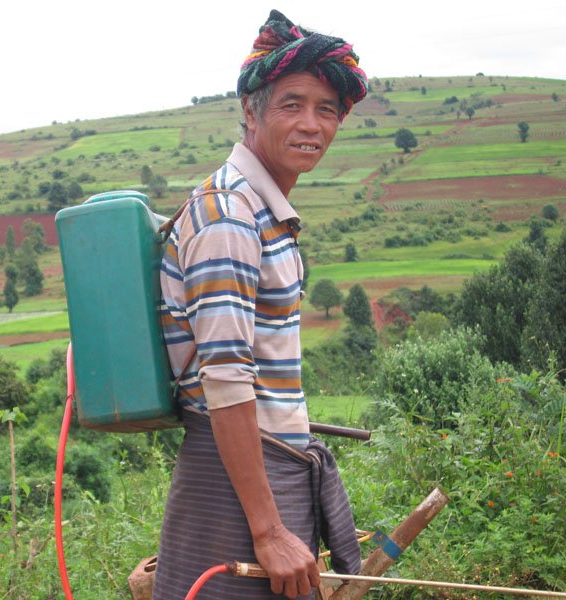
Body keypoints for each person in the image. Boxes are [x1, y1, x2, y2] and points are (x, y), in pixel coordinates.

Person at [154, 10, 368, 600]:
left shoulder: (261, 212)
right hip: (239, 491)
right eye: (291, 105)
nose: (311, 124)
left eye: (327, 109)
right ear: (251, 112)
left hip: (266, 475)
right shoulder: (229, 216)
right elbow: (225, 378)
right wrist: (269, 531)